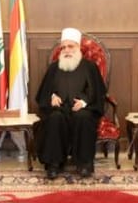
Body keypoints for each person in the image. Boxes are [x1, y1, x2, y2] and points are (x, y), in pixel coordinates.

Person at [35, 27, 107, 180]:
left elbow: (97, 92)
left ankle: (84, 164)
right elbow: (44, 92)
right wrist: (52, 97)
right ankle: (54, 164)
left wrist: (85, 102)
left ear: (78, 47)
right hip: (59, 110)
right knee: (54, 118)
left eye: (70, 46)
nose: (66, 50)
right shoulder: (54, 68)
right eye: (63, 47)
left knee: (83, 118)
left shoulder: (90, 67)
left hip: (82, 110)